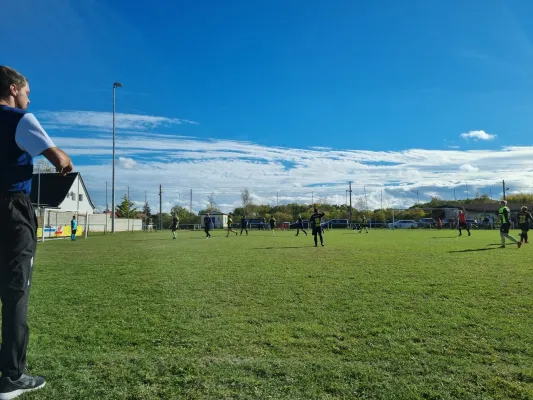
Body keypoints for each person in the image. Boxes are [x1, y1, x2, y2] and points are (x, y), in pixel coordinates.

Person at [0, 65, 73, 399]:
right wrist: (64, 162)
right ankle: (12, 377)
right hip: (12, 210)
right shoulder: (20, 120)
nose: (29, 97)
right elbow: (59, 159)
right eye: (27, 90)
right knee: (16, 294)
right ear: (13, 88)